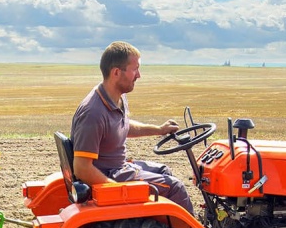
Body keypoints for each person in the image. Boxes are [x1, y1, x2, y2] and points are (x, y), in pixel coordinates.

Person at [70, 41, 194, 214]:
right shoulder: (93, 113)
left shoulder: (116, 98)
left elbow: (123, 126)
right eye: (135, 69)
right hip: (111, 174)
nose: (139, 75)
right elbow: (82, 168)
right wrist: (119, 190)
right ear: (116, 72)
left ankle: (164, 227)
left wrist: (159, 129)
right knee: (176, 188)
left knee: (165, 171)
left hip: (119, 168)